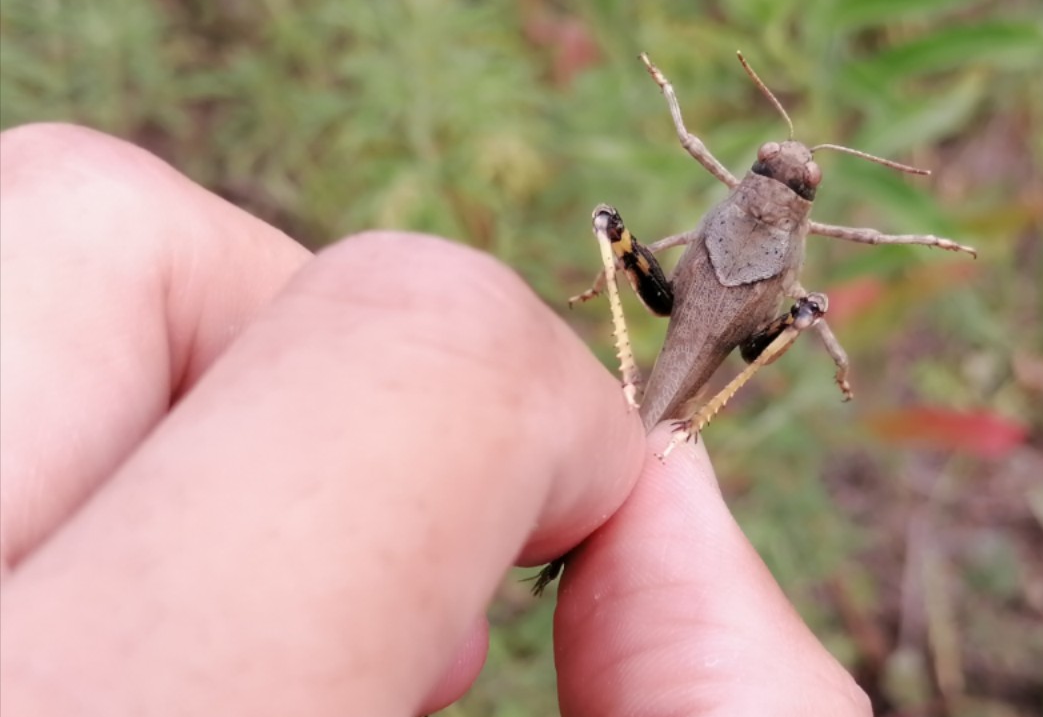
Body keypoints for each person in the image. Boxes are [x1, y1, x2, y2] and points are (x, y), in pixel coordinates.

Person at [0, 123, 870, 715]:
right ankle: (670, 419)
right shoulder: (761, 205)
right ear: (758, 171)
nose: (781, 167)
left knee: (790, 310)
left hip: (713, 337)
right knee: (736, 284)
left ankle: (682, 418)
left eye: (794, 169)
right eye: (776, 159)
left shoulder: (760, 213)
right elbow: (697, 246)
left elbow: (706, 249)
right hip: (688, 331)